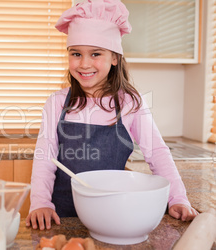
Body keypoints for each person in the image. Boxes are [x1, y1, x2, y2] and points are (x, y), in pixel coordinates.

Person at [25, 0, 199, 230]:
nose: (84, 63)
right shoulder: (56, 102)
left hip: (111, 214)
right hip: (61, 215)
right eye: (76, 53)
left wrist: (177, 198)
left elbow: (157, 152)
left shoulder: (130, 102)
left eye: (95, 53)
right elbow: (45, 157)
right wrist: (40, 203)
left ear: (115, 58)